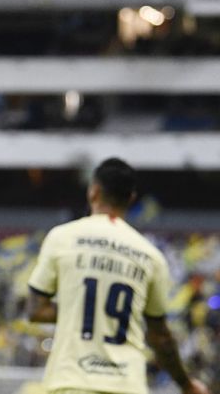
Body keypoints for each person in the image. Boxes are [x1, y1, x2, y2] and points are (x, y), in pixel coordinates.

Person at [27, 158, 209, 394]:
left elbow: (35, 310)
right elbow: (161, 337)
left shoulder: (63, 237)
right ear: (131, 198)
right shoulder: (150, 255)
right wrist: (186, 383)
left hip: (72, 381)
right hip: (126, 385)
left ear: (94, 191)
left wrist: (80, 306)